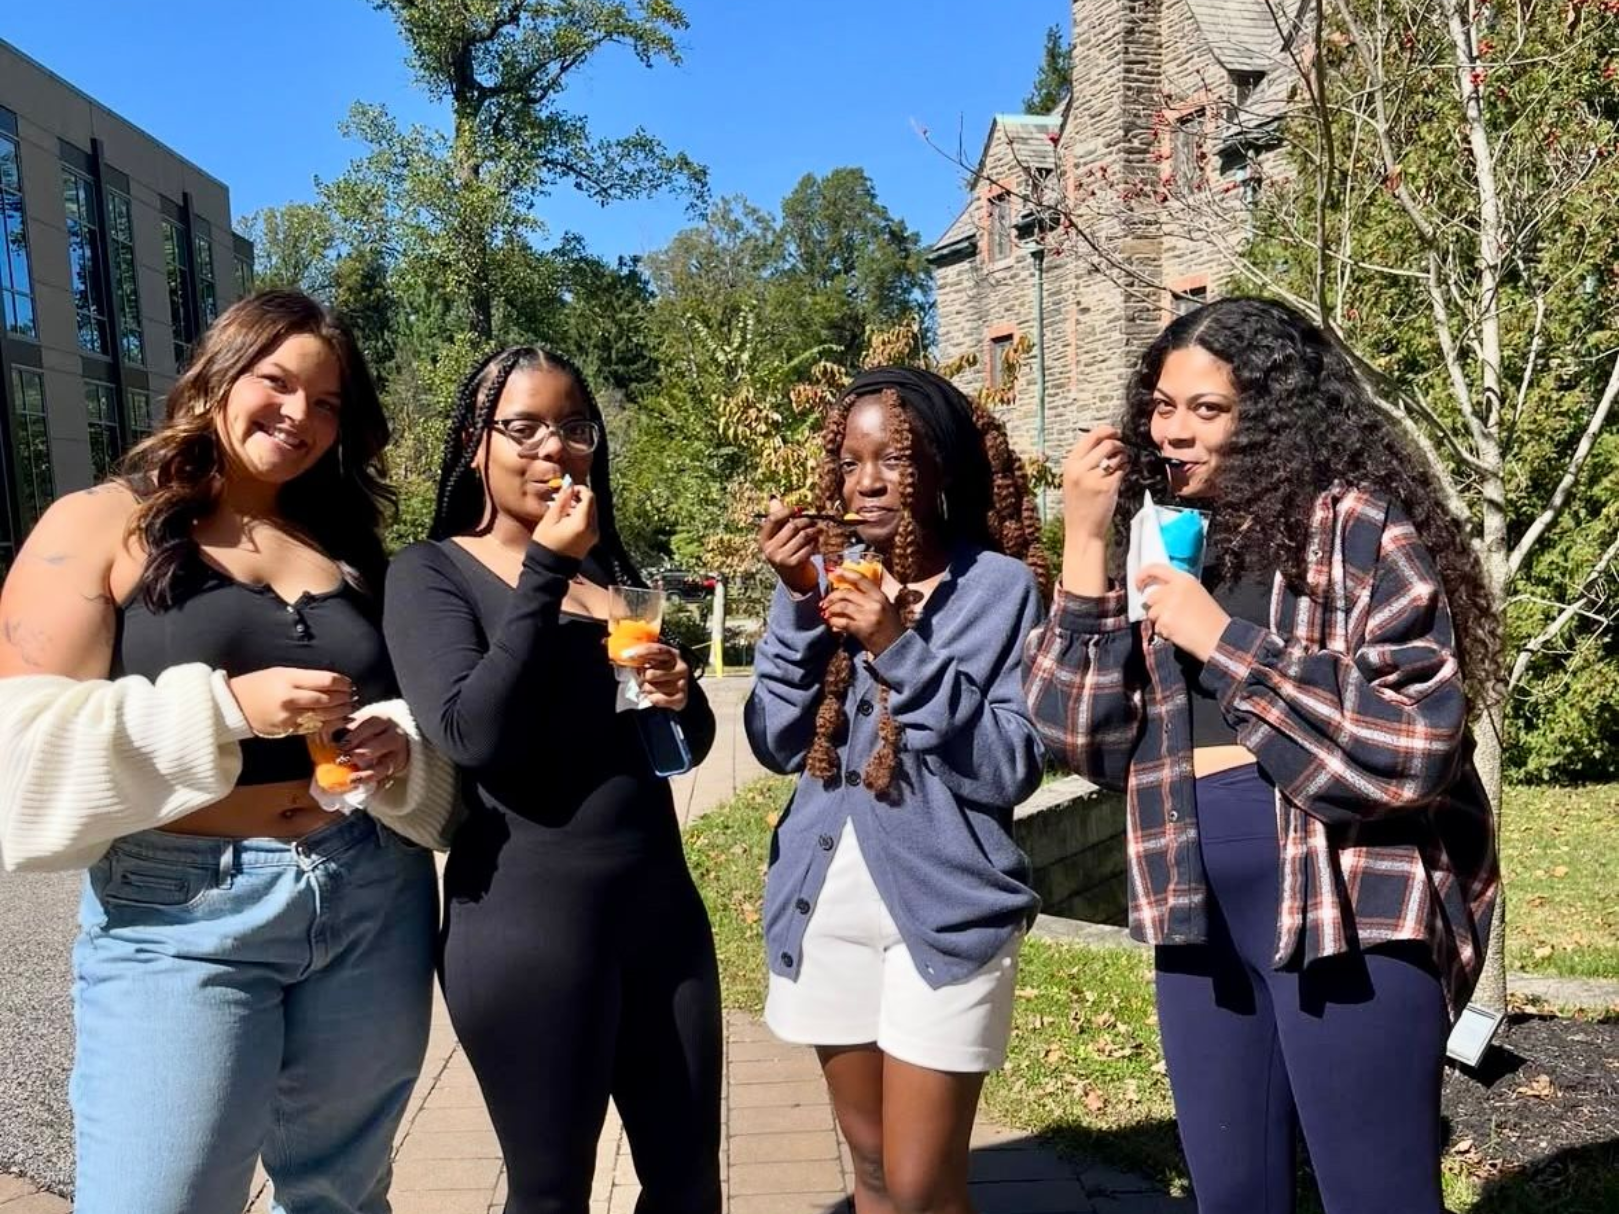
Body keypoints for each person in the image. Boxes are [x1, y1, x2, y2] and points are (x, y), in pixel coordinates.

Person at [1024, 297, 1500, 1214]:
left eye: (1208, 410)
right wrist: (1084, 545)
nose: (1174, 432)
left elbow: (1415, 741)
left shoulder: (1353, 526)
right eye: (1163, 407)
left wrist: (1221, 640)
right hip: (1191, 908)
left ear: (1273, 414)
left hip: (1347, 903)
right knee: (1231, 1197)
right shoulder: (1160, 539)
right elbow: (1077, 738)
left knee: (1377, 1197)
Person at [0, 289, 458, 1214]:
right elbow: (21, 746)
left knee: (344, 1195)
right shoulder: (100, 523)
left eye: (328, 403)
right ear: (216, 376)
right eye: (277, 383)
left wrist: (397, 750)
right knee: (156, 1198)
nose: (300, 417)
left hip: (370, 887)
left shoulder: (345, 544)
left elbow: (415, 706)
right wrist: (222, 711)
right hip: (180, 911)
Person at [383, 346, 722, 1214]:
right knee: (550, 1193)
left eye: (574, 427)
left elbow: (673, 750)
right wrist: (543, 571)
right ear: (475, 444)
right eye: (523, 427)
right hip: (527, 928)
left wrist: (678, 700)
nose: (554, 448)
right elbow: (473, 733)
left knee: (686, 1186)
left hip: (660, 915)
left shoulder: (612, 579)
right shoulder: (431, 573)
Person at [747, 366, 1050, 1214]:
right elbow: (773, 741)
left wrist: (896, 642)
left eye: (894, 460)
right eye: (849, 462)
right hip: (825, 906)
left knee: (922, 1188)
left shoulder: (999, 589)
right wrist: (799, 604)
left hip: (945, 912)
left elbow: (1009, 765)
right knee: (874, 1175)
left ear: (942, 470)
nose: (866, 482)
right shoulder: (825, 577)